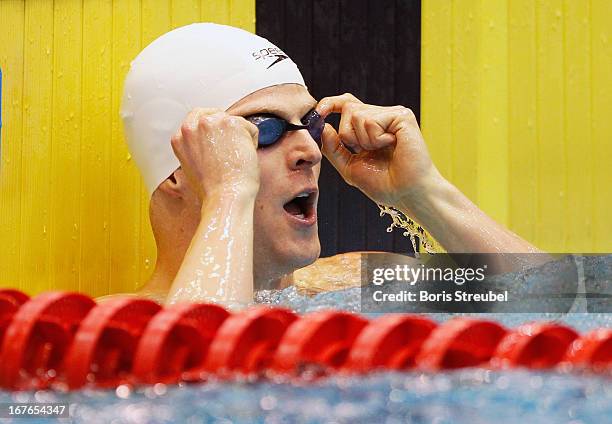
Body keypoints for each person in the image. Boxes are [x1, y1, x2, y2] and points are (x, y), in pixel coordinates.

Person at [116, 23, 541, 306]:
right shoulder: (107, 330)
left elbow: (570, 307)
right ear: (177, 170)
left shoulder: (357, 285)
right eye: (262, 129)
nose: (311, 151)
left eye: (312, 123)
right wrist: (229, 194)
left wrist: (425, 193)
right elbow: (195, 393)